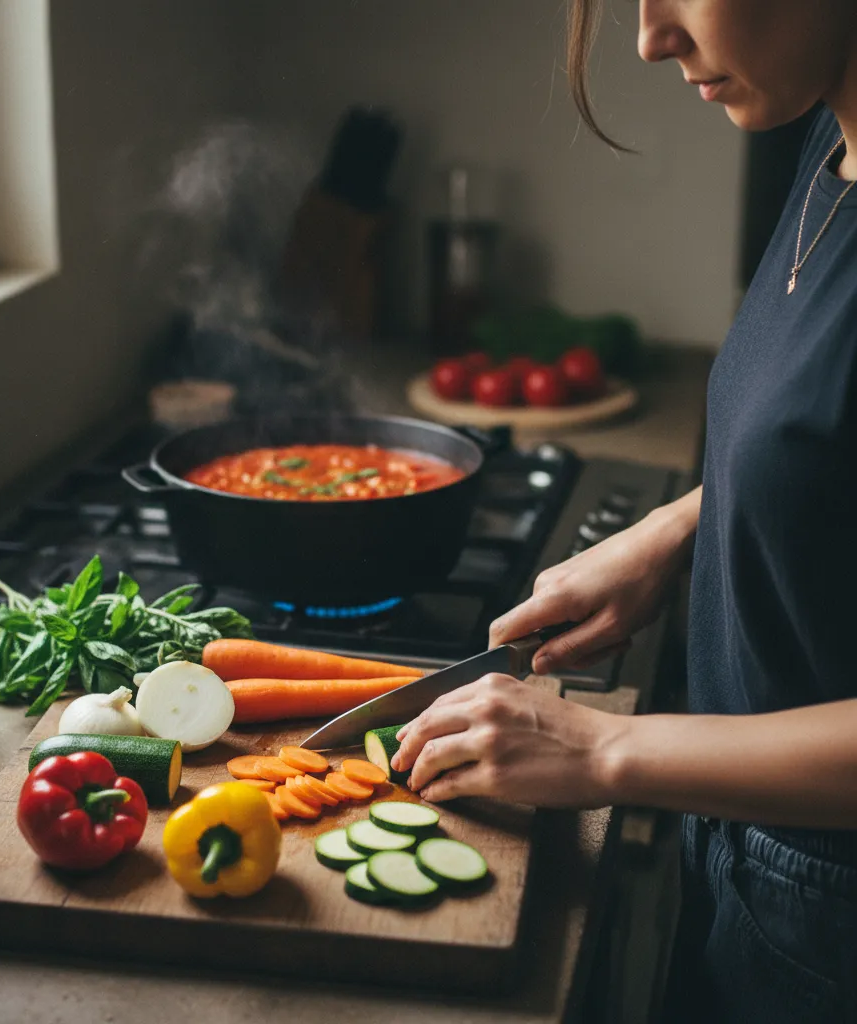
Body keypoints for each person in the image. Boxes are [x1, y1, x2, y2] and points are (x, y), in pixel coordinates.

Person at [390, 2, 857, 1021]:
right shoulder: (831, 132)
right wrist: (681, 528)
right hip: (748, 854)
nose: (649, 38)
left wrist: (602, 753)